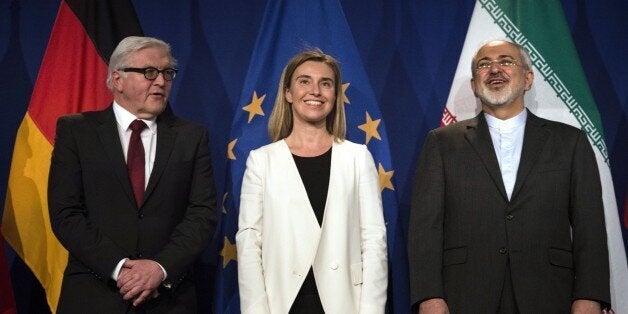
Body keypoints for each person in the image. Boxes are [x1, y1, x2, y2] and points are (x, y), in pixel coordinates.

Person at [408, 40, 610, 313]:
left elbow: (590, 225)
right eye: (484, 64)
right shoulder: (441, 143)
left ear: (528, 79)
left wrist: (590, 296)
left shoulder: (570, 142)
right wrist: (429, 296)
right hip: (465, 296)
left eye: (506, 61)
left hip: (549, 294)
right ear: (473, 85)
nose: (494, 69)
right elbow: (425, 229)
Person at [48, 36, 217, 313]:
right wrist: (119, 269)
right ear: (118, 79)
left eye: (167, 73)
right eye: (149, 72)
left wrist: (159, 268)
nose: (161, 82)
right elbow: (66, 213)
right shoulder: (76, 132)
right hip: (94, 293)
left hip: (168, 298)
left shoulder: (191, 137)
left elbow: (202, 213)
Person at [236, 49, 388, 313]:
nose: (315, 91)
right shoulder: (261, 161)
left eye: (325, 83)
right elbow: (249, 242)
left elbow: (373, 240)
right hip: (282, 302)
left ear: (335, 94)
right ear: (288, 93)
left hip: (343, 302)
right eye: (304, 81)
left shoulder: (357, 157)